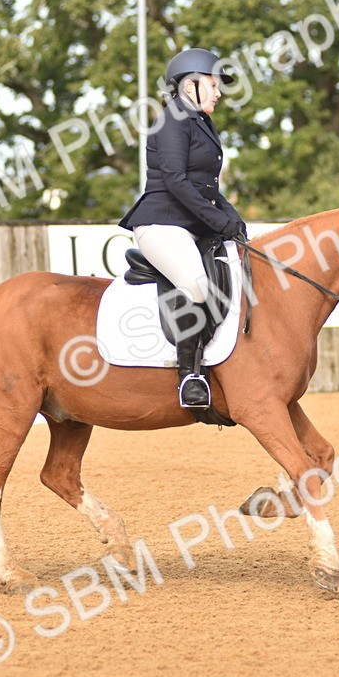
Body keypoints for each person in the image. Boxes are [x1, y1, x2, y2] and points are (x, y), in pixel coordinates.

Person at [119, 48, 247, 409]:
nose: (218, 92)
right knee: (197, 285)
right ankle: (189, 376)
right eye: (213, 84)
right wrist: (219, 221)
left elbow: (208, 187)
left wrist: (234, 219)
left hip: (192, 225)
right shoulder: (171, 120)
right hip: (161, 223)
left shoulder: (200, 122)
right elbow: (176, 180)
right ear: (190, 85)